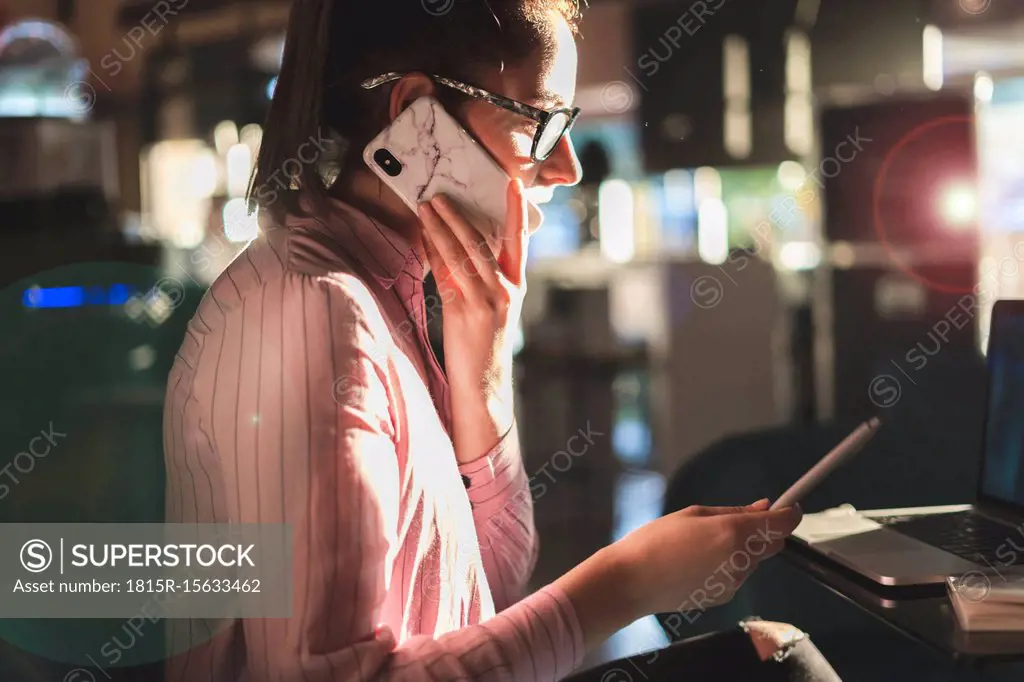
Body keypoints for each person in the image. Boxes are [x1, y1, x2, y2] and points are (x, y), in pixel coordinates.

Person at [161, 1, 843, 680]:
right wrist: (627, 585)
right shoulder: (313, 314)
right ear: (416, 114)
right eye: (545, 125)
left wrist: (484, 364)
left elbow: (488, 585)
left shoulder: (387, 298)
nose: (567, 166)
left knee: (773, 654)